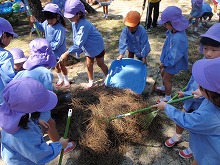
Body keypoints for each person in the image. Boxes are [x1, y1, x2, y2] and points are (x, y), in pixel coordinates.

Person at [164, 23, 220, 159]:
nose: (208, 53)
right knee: (183, 116)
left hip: (204, 104)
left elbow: (212, 94)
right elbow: (196, 80)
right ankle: (178, 135)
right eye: (205, 48)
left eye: (214, 50)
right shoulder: (205, 59)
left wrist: (166, 107)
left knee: (197, 127)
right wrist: (187, 92)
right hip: (194, 96)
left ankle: (193, 147)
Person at [13, 38, 76, 153]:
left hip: (21, 105)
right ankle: (61, 146)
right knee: (50, 123)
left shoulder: (23, 71)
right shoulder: (44, 73)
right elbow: (46, 96)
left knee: (36, 124)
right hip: (37, 105)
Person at [153, 57, 220, 165]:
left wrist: (166, 107)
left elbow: (186, 121)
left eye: (202, 87)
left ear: (212, 92)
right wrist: (198, 93)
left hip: (211, 155)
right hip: (204, 148)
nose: (198, 86)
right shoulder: (214, 100)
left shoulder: (211, 116)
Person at [0, 77, 69, 165]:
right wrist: (59, 145)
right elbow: (39, 154)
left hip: (16, 156)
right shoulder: (24, 135)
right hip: (25, 162)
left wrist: (36, 120)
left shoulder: (10, 110)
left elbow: (22, 116)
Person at [60, 0, 108, 88]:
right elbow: (76, 38)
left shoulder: (84, 25)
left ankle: (108, 77)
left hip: (97, 46)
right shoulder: (75, 22)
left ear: (79, 14)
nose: (69, 18)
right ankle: (91, 81)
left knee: (100, 64)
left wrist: (67, 53)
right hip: (87, 47)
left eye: (71, 16)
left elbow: (78, 43)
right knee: (89, 64)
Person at [30, 3, 70, 88]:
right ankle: (60, 79)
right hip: (50, 51)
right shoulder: (46, 23)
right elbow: (41, 27)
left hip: (60, 52)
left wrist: (47, 46)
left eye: (51, 20)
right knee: (55, 65)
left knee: (62, 65)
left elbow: (58, 43)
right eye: (48, 19)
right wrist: (36, 22)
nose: (49, 22)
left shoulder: (60, 29)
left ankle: (66, 79)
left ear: (57, 17)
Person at [154, 6, 189, 103]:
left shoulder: (178, 38)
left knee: (166, 79)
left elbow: (174, 56)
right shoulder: (172, 31)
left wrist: (165, 63)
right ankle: (164, 88)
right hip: (169, 60)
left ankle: (167, 97)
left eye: (165, 23)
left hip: (173, 62)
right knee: (162, 73)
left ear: (172, 23)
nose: (164, 25)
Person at [0, 17, 17, 104]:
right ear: (4, 36)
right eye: (11, 37)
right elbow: (9, 78)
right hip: (2, 98)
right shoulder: (5, 55)